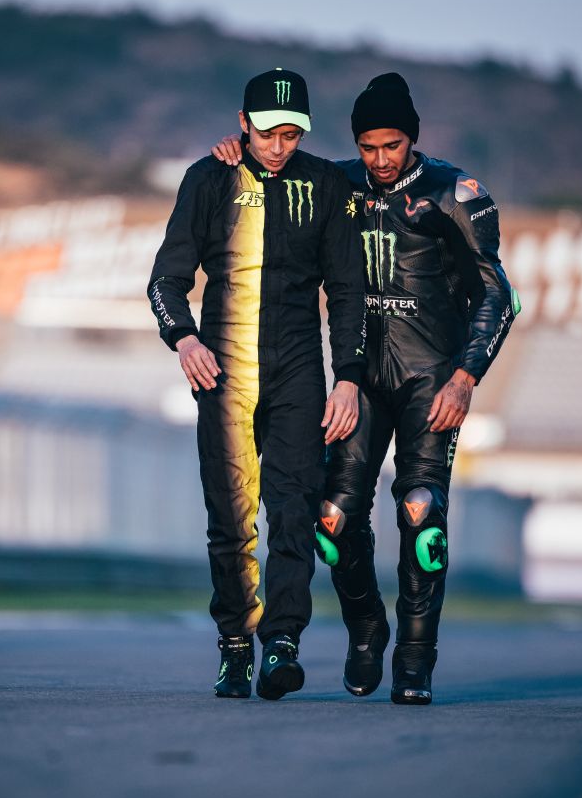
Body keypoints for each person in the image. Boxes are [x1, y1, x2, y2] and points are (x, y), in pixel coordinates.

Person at [212, 73, 520, 704]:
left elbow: (499, 295)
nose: (381, 160)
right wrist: (234, 153)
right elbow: (274, 169)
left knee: (421, 512)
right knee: (330, 520)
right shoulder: (338, 182)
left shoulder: (456, 194)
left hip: (432, 380)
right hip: (360, 380)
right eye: (369, 147)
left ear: (413, 138)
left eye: (393, 146)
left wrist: (466, 378)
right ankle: (367, 626)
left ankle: (415, 658)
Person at [148, 68, 367, 701]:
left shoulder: (326, 183)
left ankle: (282, 644)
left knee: (294, 510)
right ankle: (235, 646)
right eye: (267, 133)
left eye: (291, 134)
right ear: (243, 124)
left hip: (299, 371)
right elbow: (165, 280)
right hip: (224, 372)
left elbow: (347, 290)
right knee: (231, 515)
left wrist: (348, 379)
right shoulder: (208, 177)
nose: (278, 146)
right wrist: (184, 339)